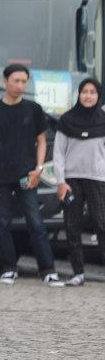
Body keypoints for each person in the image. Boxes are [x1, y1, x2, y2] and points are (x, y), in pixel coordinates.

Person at [0, 63, 61, 286]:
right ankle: (8, 269)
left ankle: (48, 270)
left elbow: (42, 141)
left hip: (28, 176)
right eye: (16, 81)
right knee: (2, 223)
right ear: (5, 81)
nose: (20, 85)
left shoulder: (34, 109)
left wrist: (39, 169)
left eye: (24, 81)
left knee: (36, 222)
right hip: (0, 177)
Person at [54, 78, 105, 287]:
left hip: (98, 179)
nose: (88, 95)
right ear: (78, 94)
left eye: (93, 92)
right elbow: (58, 153)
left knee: (101, 223)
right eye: (84, 91)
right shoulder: (67, 120)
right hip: (71, 180)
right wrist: (60, 181)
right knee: (72, 225)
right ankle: (78, 273)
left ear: (98, 96)